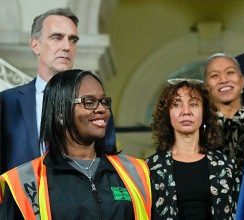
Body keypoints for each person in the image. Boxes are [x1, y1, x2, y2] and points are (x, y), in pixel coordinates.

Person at [0, 69, 151, 219]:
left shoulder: (135, 171)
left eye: (104, 101)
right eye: (89, 102)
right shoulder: (24, 182)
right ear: (60, 112)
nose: (102, 109)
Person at [0, 8, 116, 173]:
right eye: (57, 37)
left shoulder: (97, 105)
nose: (67, 46)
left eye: (73, 40)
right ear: (35, 45)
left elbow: (107, 162)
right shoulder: (6, 102)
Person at [146, 79, 241, 219]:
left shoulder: (225, 166)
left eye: (193, 104)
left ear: (204, 113)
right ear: (167, 114)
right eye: (177, 104)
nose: (186, 112)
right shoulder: (151, 168)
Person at [203, 53, 244, 172]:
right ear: (206, 87)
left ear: (242, 81)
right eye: (214, 75)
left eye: (230, 72)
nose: (223, 80)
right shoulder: (199, 131)